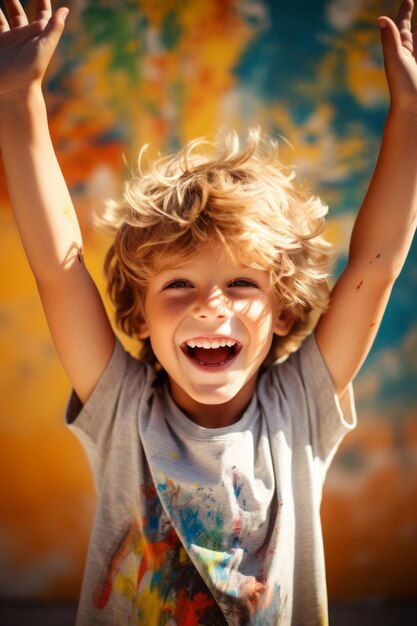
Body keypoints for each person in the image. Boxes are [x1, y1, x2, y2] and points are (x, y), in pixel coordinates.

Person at [1, 0, 416, 624]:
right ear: (138, 316)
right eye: (178, 285)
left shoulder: (299, 407)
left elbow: (375, 265)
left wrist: (412, 113)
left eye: (243, 282)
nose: (210, 305)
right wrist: (15, 100)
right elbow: (58, 271)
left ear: (283, 311)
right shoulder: (122, 409)